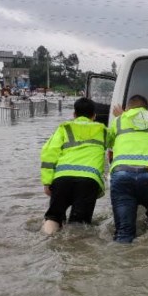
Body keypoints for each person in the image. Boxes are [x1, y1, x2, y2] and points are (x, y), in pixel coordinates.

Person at [108, 94, 148, 243]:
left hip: (122, 174)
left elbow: (109, 141)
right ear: (146, 109)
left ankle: (121, 262)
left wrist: (121, 117)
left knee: (124, 232)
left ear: (128, 108)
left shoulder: (118, 121)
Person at [39, 97, 107, 235]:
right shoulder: (104, 131)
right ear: (94, 115)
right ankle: (75, 250)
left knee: (53, 218)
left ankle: (46, 242)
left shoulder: (64, 128)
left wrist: (47, 182)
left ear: (74, 114)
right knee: (79, 225)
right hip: (89, 181)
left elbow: (49, 153)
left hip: (62, 178)